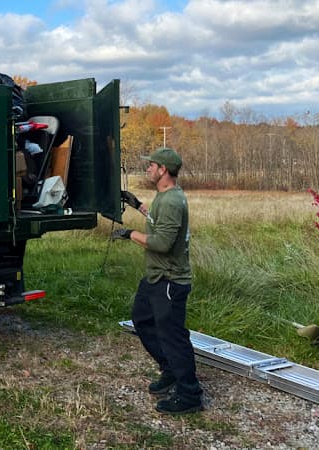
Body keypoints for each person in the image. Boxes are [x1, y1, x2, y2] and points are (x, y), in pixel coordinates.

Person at [112, 147, 203, 415]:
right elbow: (158, 220)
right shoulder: (164, 196)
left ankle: (189, 394)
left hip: (170, 280)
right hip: (155, 277)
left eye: (151, 165)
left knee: (173, 336)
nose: (148, 169)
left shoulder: (173, 200)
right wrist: (137, 204)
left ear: (163, 170)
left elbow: (162, 243)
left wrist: (130, 234)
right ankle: (171, 370)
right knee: (142, 319)